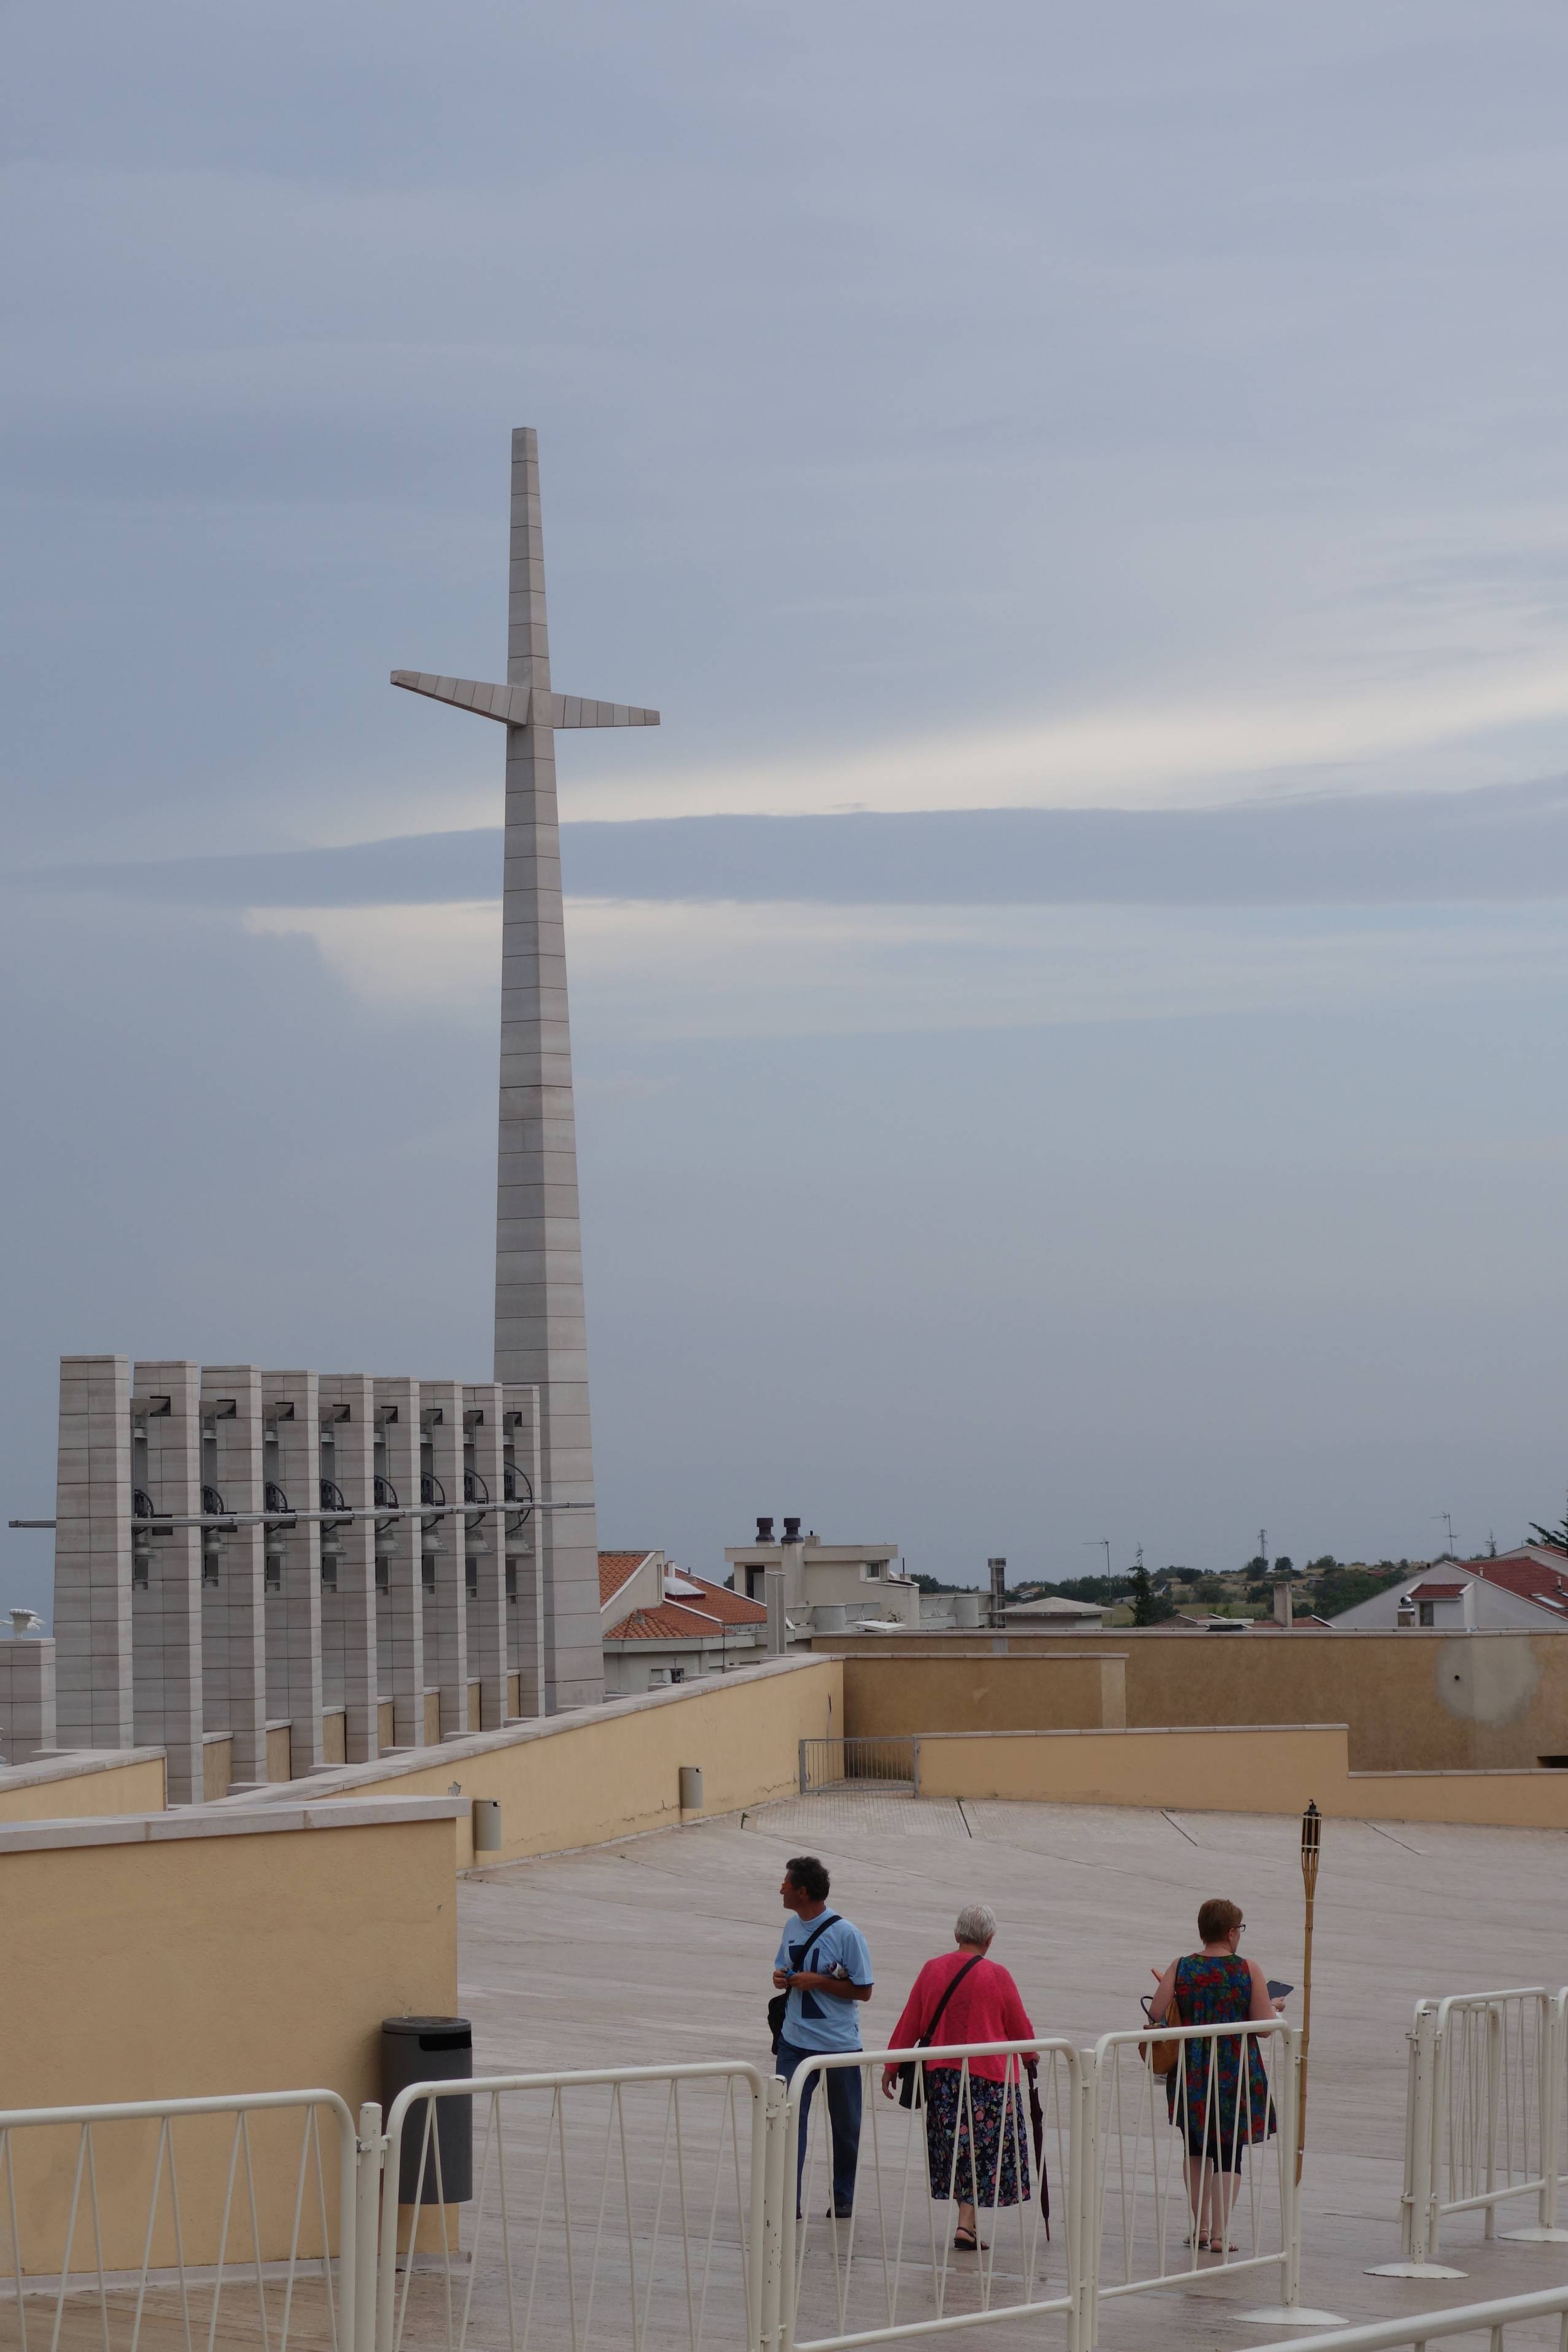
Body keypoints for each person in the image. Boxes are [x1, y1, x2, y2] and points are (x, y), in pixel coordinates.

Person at [881, 1902, 1034, 2251]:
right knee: (982, 2152)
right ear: (990, 1940)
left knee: (956, 2151)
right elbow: (1019, 2025)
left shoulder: (932, 1969)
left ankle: (968, 2223)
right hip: (990, 2079)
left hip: (942, 2077)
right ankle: (967, 2224)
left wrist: (891, 2066)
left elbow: (911, 2019)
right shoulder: (998, 1975)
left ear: (956, 1935)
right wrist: (1031, 2057)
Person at [1148, 1896, 1280, 2254]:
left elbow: (1157, 2012)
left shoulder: (1181, 1966)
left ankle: (1200, 2228)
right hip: (1235, 2066)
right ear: (1230, 1932)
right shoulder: (1247, 1969)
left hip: (1192, 2067)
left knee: (1195, 2146)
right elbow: (1265, 2028)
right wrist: (1273, 2008)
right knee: (1229, 2152)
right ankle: (1222, 2235)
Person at [772, 1856, 874, 2219]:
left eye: (786, 1883)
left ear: (802, 1891)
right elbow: (783, 1965)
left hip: (839, 2046)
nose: (780, 1888)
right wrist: (782, 1978)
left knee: (847, 2127)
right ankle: (789, 2202)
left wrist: (819, 1982)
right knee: (788, 2122)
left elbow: (864, 1990)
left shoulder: (847, 1934)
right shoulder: (790, 1926)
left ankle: (842, 2197)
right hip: (794, 2042)